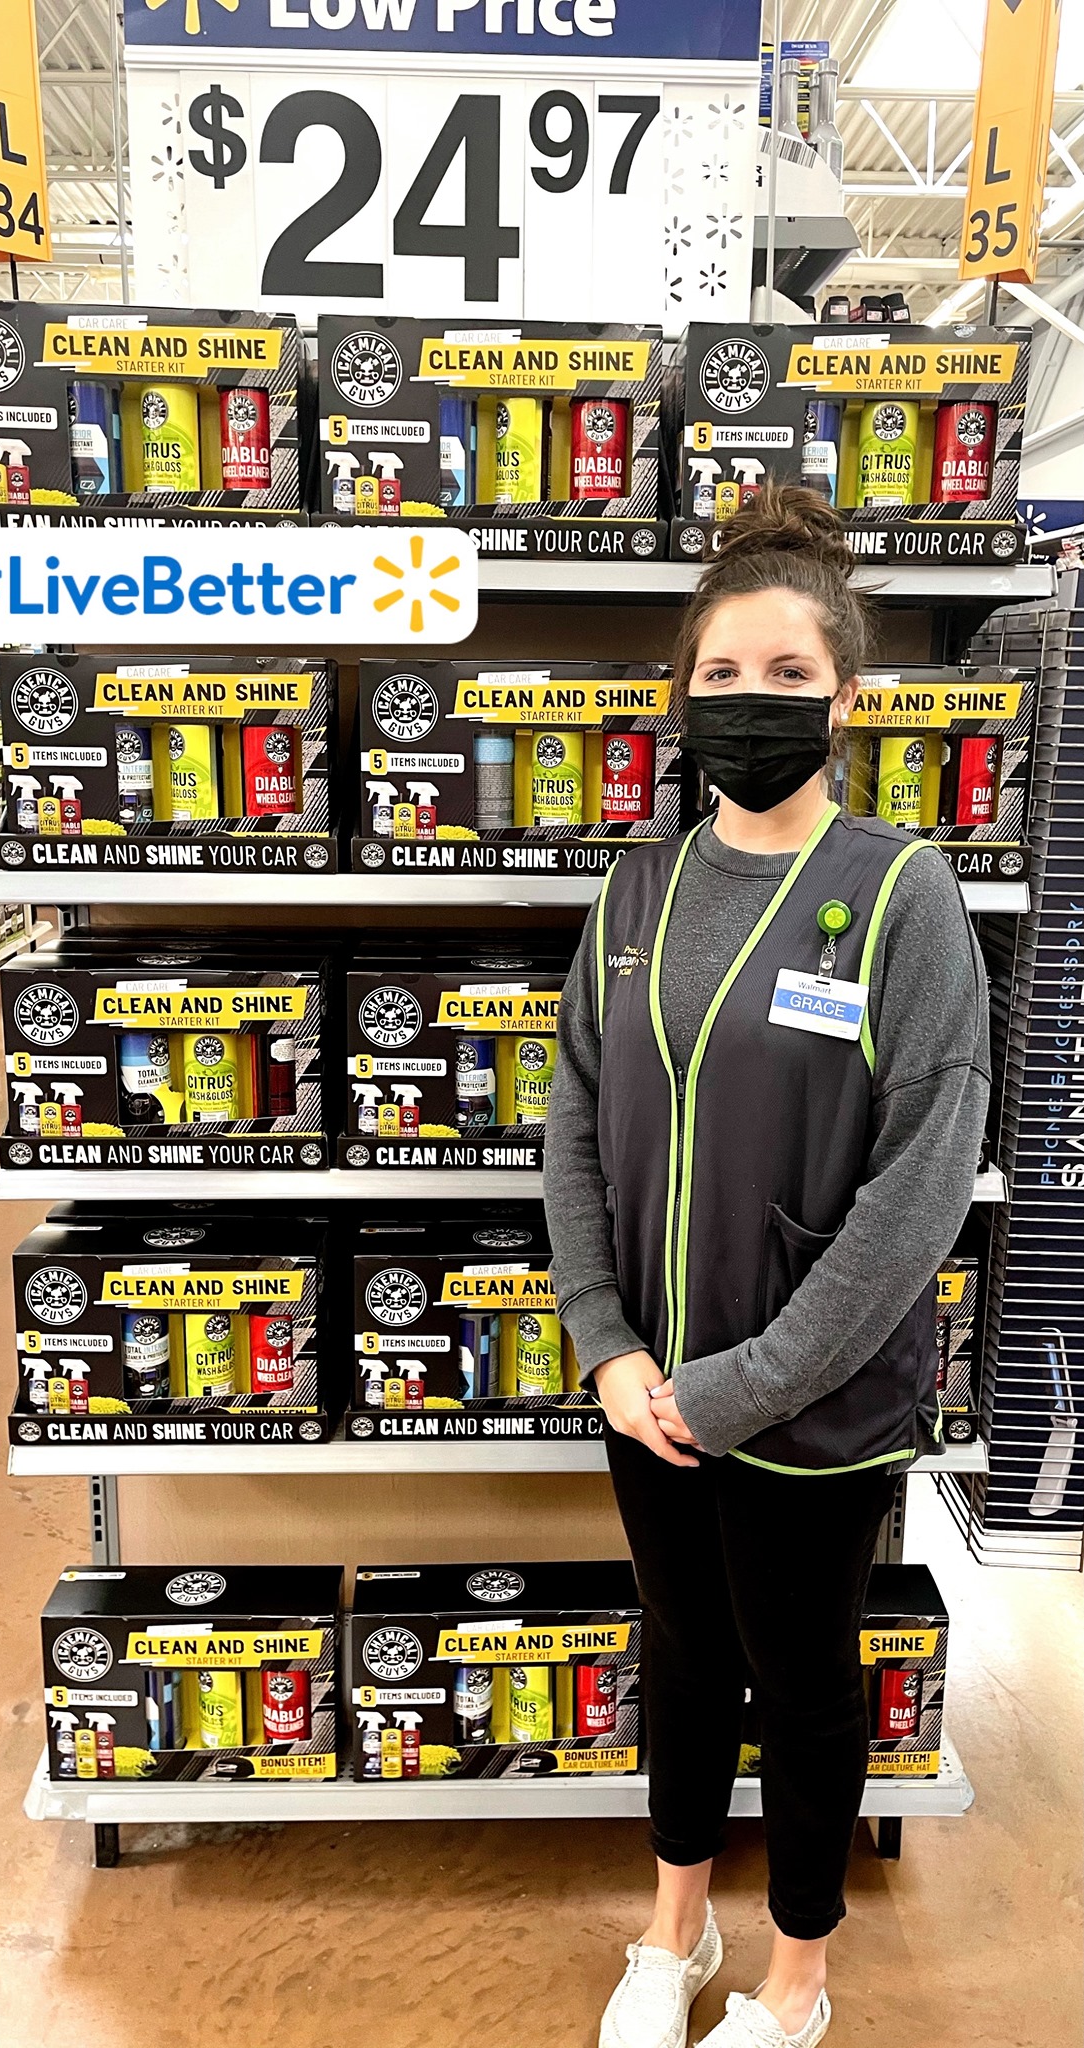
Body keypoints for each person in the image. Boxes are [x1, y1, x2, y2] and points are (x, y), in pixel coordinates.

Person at [545, 485, 989, 2048]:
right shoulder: (635, 889)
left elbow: (920, 1184)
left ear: (842, 698)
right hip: (648, 1390)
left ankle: (797, 1977)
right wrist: (607, 1343)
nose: (749, 702)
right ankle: (674, 1930)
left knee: (798, 1683)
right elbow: (574, 1124)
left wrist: (750, 1381)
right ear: (682, 694)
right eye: (720, 675)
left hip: (806, 1402)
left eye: (786, 676)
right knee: (680, 1658)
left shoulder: (901, 894)